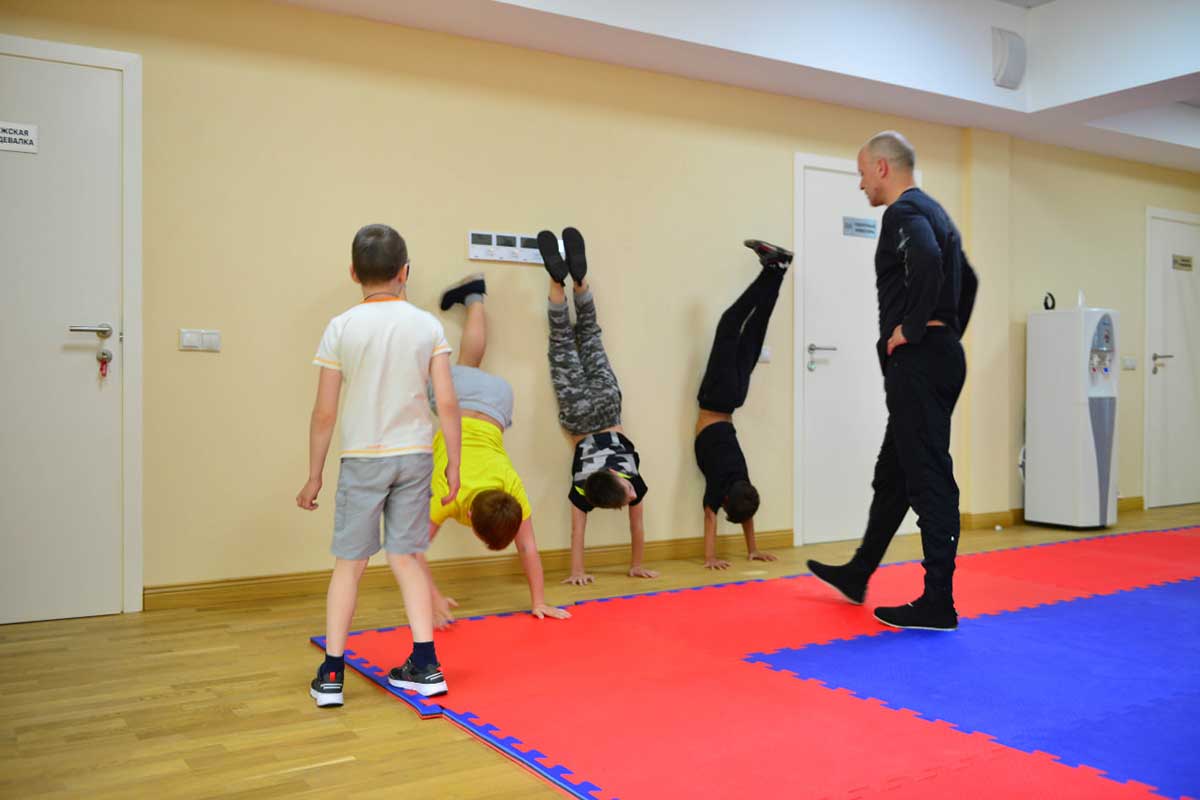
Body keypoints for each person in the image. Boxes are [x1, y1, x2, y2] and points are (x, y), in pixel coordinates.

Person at [807, 131, 977, 631]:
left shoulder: (903, 212)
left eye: (862, 173)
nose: (861, 184)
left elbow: (925, 258)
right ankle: (859, 572)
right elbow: (968, 279)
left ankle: (938, 603)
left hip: (920, 361)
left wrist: (916, 328)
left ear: (882, 167)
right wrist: (946, 332)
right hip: (938, 357)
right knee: (895, 474)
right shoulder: (935, 211)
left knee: (928, 479)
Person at [297, 223, 462, 706]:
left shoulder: (341, 327)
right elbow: (447, 402)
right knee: (406, 557)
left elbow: (324, 412)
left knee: (350, 564)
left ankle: (332, 674)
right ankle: (426, 664)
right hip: (415, 455)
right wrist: (453, 464)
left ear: (353, 273)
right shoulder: (427, 326)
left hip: (363, 459)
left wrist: (314, 474)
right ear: (405, 272)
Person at [417, 273, 571, 626]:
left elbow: (526, 546)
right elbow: (411, 550)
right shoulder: (448, 494)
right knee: (422, 375)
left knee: (467, 365)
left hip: (497, 399)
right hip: (467, 399)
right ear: (470, 516)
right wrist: (432, 597)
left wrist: (540, 602)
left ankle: (475, 298)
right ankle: (404, 299)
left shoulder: (510, 488)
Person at [538, 227, 659, 586]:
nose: (633, 494)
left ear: (617, 479)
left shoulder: (631, 477)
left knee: (589, 336)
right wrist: (578, 569)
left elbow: (636, 527)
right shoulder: (581, 487)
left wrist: (631, 565)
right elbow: (578, 533)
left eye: (628, 493)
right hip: (578, 414)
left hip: (606, 408)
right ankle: (557, 282)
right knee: (562, 341)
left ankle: (579, 282)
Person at [694, 239, 792, 569]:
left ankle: (778, 270)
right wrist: (710, 557)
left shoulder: (743, 481)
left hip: (735, 398)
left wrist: (754, 548)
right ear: (726, 500)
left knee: (754, 329)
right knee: (730, 324)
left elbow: (746, 509)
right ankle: (773, 270)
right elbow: (710, 517)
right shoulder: (719, 490)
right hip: (716, 399)